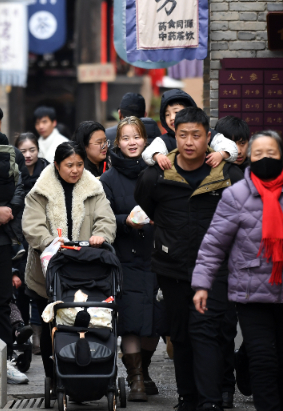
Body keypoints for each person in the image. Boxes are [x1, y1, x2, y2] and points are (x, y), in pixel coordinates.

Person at [192, 131, 283, 411]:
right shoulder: (235, 196)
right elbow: (214, 243)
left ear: (282, 156)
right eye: (258, 154)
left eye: (271, 153)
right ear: (249, 159)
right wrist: (202, 285)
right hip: (250, 292)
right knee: (263, 359)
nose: (265, 158)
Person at [134, 108, 243, 411]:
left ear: (208, 137)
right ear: (175, 136)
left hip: (216, 270)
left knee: (207, 332)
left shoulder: (228, 176)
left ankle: (210, 401)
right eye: (183, 135)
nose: (190, 142)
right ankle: (187, 398)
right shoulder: (156, 176)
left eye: (197, 135)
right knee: (180, 335)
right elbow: (146, 204)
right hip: (173, 268)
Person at [22, 141, 117, 390]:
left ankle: (85, 375)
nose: (75, 170)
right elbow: (32, 225)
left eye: (79, 164)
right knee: (50, 326)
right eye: (69, 165)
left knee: (85, 321)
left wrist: (101, 235)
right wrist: (49, 243)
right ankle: (54, 378)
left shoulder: (93, 188)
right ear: (57, 165)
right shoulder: (40, 191)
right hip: (47, 273)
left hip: (86, 270)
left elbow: (106, 218)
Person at [100, 117, 159, 402]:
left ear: (145, 140)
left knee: (156, 320)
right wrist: (126, 221)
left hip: (158, 256)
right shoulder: (107, 180)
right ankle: (135, 379)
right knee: (132, 320)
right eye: (125, 138)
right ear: (117, 143)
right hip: (126, 257)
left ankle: (143, 370)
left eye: (136, 136)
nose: (132, 142)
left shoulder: (158, 172)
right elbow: (103, 218)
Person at [0, 105, 29, 385]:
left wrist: (6, 212)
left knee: (1, 300)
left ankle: (5, 359)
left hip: (2, 240)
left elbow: (21, 186)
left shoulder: (11, 154)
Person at [211, 115, 251, 407]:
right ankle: (225, 387)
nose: (239, 148)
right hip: (221, 263)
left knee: (255, 327)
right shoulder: (211, 172)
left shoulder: (257, 172)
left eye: (242, 142)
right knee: (224, 327)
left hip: (252, 263)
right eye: (232, 142)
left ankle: (246, 370)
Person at [14, 132, 50, 353]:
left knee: (39, 287)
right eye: (23, 151)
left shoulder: (47, 172)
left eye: (32, 150)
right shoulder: (14, 172)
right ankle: (23, 333)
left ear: (38, 149)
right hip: (19, 236)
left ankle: (39, 336)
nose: (28, 155)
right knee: (21, 289)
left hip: (41, 235)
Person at [142, 90, 238, 170]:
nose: (171, 118)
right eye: (167, 114)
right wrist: (157, 156)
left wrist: (221, 154)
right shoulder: (164, 140)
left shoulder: (208, 134)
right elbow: (147, 153)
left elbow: (232, 148)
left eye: (176, 112)